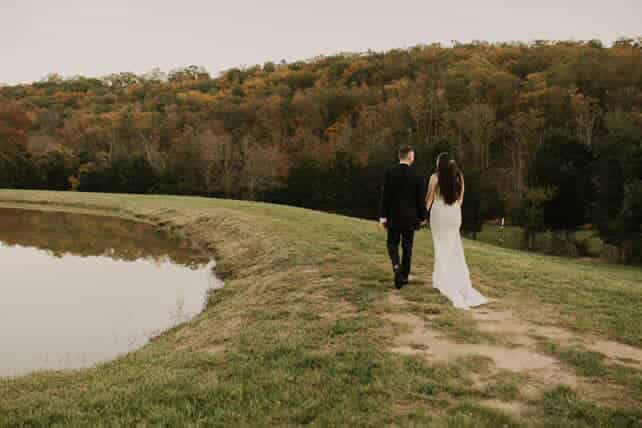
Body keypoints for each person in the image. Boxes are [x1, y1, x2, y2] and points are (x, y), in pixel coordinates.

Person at [426, 153, 487, 309]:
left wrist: (422, 216)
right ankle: (441, 279)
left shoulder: (435, 178)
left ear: (440, 164)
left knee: (440, 247)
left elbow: (429, 199)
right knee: (453, 248)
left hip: (439, 214)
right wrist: (453, 210)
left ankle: (444, 281)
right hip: (454, 214)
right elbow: (460, 199)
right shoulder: (459, 177)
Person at [379, 146, 427, 289]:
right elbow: (420, 200)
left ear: (399, 156)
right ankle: (404, 276)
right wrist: (423, 216)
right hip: (410, 218)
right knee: (407, 246)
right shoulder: (417, 175)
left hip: (393, 217)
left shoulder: (389, 173)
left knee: (392, 244)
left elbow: (385, 196)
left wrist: (383, 216)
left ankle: (396, 267)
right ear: (410, 157)